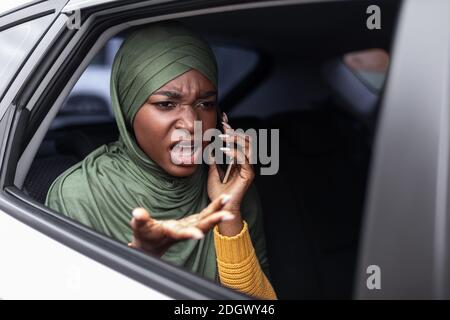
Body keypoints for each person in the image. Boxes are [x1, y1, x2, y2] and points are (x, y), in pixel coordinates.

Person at [46, 22, 276, 299]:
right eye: (166, 104)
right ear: (128, 108)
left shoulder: (231, 183)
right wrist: (142, 261)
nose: (193, 124)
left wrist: (229, 214)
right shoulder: (81, 196)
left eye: (206, 104)